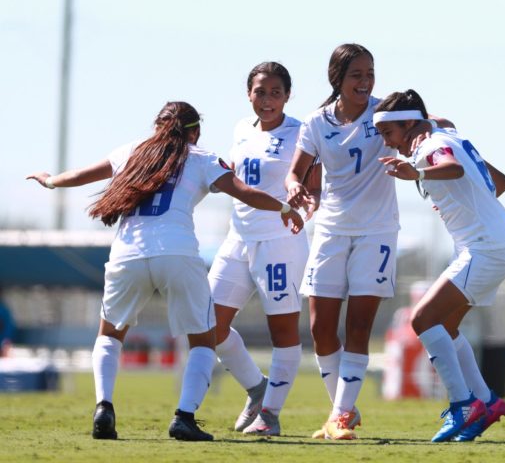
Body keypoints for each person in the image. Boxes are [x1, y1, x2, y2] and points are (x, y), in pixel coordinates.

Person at [26, 101, 303, 442]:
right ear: (195, 132)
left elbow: (81, 175)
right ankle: (184, 417)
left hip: (127, 254)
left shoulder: (131, 151)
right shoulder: (201, 157)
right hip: (177, 254)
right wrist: (286, 207)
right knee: (203, 339)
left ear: (157, 127)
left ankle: (104, 408)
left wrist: (50, 180)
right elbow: (244, 193)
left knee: (110, 335)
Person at [285, 44, 449, 440]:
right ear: (337, 79)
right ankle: (343, 409)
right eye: (357, 74)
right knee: (322, 329)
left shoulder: (384, 115)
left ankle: (339, 416)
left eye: (370, 73)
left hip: (377, 233)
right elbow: (296, 173)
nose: (366, 81)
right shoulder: (315, 123)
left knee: (358, 326)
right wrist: (295, 189)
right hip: (329, 231)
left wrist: (437, 143)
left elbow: (433, 124)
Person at [372, 89, 505, 443]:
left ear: (408, 124)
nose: (389, 145)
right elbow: (501, 183)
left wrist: (417, 173)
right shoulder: (447, 135)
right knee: (448, 326)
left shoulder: (427, 148)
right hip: (493, 245)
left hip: (483, 249)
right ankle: (486, 400)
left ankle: (462, 404)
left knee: (422, 319)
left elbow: (449, 168)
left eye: (389, 134)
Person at [208, 62, 318, 436]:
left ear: (287, 95)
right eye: (260, 92)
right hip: (237, 239)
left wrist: (306, 205)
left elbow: (314, 187)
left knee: (283, 331)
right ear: (249, 94)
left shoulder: (301, 133)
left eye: (275, 92)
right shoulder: (241, 129)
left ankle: (269, 415)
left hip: (279, 242)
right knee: (208, 323)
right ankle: (258, 388)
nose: (267, 100)